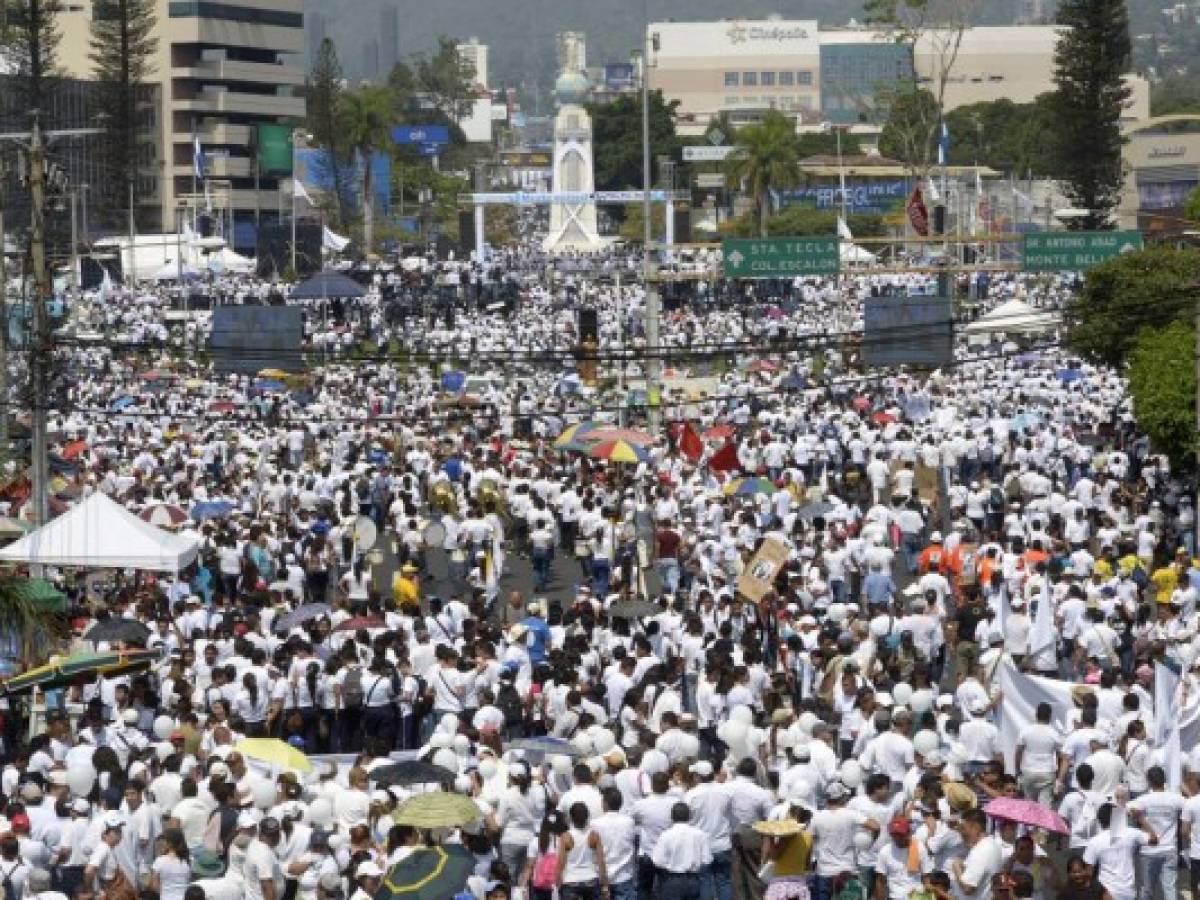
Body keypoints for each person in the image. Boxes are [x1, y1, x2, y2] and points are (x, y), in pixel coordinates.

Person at [1082, 803, 1158, 900]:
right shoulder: (1131, 833)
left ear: (1100, 821)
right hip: (1128, 892)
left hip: (1106, 892)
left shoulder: (1094, 842)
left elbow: (1089, 873)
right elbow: (1154, 840)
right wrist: (1141, 819)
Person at [650, 802, 712, 900]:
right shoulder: (700, 834)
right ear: (689, 816)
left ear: (672, 817)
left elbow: (657, 861)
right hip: (693, 878)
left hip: (672, 879)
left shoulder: (666, 835)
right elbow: (707, 859)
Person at [556, 802, 608, 900]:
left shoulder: (565, 837)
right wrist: (605, 885)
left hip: (571, 881)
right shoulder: (594, 835)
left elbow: (561, 863)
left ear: (571, 817)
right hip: (591, 880)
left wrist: (557, 881)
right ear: (587, 816)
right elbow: (601, 862)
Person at [874, 816, 931, 900]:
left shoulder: (920, 848)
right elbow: (880, 882)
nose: (897, 838)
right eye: (894, 835)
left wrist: (929, 896)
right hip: (895, 896)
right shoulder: (884, 852)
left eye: (900, 834)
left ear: (909, 833)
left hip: (917, 896)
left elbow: (926, 876)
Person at [149, 828, 192, 900]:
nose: (162, 843)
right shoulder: (187, 861)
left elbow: (154, 886)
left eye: (164, 841)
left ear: (170, 843)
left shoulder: (159, 861)